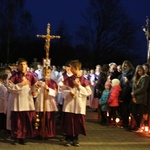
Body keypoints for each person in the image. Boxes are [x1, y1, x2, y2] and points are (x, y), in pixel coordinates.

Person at [61, 60, 92, 147]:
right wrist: (69, 93)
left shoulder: (84, 80)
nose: (70, 69)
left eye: (71, 68)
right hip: (69, 104)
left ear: (76, 68)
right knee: (69, 122)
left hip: (79, 105)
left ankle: (75, 139)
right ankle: (68, 138)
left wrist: (79, 86)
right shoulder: (68, 79)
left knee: (77, 122)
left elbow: (88, 92)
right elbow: (62, 90)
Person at [7, 58, 37, 145]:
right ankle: (16, 136)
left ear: (27, 65)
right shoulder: (14, 75)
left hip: (27, 101)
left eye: (24, 64)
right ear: (18, 66)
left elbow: (34, 87)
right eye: (21, 64)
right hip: (17, 101)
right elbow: (10, 87)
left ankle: (23, 136)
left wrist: (36, 88)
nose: (23, 66)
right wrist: (21, 84)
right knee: (17, 121)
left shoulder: (30, 75)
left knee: (25, 120)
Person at [34, 66, 58, 139]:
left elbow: (55, 93)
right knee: (40, 118)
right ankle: (39, 133)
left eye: (48, 72)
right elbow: (35, 92)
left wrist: (48, 89)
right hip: (40, 101)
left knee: (48, 118)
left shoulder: (53, 82)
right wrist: (36, 89)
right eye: (44, 72)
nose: (46, 74)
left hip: (49, 102)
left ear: (50, 73)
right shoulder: (39, 81)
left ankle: (48, 133)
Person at [131, 65, 149, 131]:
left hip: (141, 97)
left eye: (140, 70)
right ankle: (138, 124)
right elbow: (133, 88)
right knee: (133, 112)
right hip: (135, 97)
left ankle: (138, 125)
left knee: (139, 112)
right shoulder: (136, 78)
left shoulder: (145, 78)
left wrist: (134, 93)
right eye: (138, 71)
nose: (139, 72)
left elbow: (143, 88)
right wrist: (133, 96)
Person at [119, 60, 135, 128]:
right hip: (123, 90)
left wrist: (127, 82)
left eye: (127, 65)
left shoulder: (131, 72)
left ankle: (126, 122)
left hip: (127, 90)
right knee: (123, 107)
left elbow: (131, 82)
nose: (125, 66)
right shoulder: (122, 73)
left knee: (127, 108)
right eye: (124, 65)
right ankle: (124, 121)